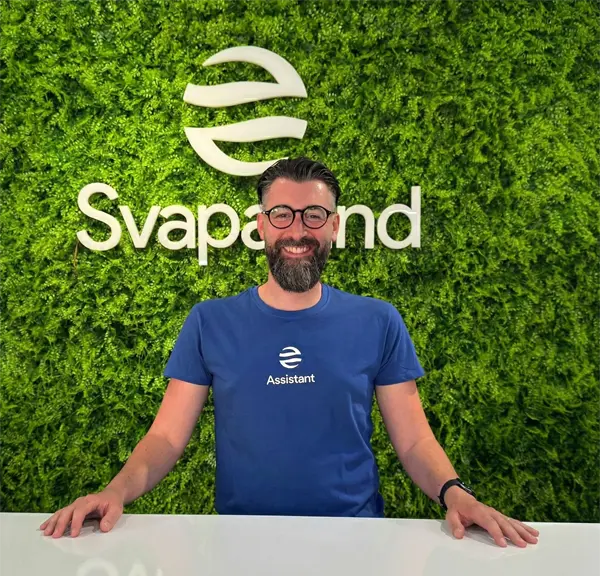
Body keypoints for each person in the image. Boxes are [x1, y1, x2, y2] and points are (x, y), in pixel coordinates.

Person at [41, 157, 539, 548]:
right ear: (261, 225)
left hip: (355, 541)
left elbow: (412, 442)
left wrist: (456, 493)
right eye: (282, 214)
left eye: (314, 215)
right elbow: (166, 438)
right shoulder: (210, 321)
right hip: (241, 541)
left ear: (335, 226)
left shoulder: (378, 320)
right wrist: (115, 491)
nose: (297, 230)